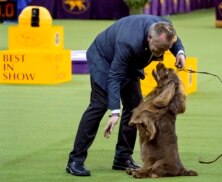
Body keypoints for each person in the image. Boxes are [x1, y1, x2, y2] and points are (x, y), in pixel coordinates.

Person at [66, 14, 186, 176]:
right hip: (104, 58)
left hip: (132, 60)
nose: (160, 54)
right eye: (158, 49)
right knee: (99, 105)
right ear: (149, 37)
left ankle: (122, 157)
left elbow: (174, 40)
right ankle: (75, 160)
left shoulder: (166, 28)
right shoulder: (128, 42)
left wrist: (179, 52)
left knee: (135, 107)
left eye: (165, 49)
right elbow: (114, 76)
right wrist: (114, 111)